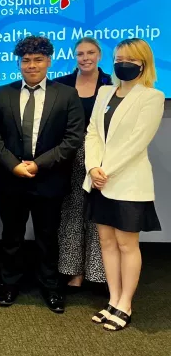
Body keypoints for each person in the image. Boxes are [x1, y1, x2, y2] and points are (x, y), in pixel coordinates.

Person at [0, 35, 84, 314]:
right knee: (12, 235)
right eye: (26, 60)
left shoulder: (66, 94)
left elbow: (73, 137)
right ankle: (9, 283)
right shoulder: (1, 93)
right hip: (10, 177)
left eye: (38, 60)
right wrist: (13, 164)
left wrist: (38, 164)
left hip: (49, 178)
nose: (32, 65)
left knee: (47, 236)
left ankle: (50, 286)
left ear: (49, 61)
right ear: (19, 63)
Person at [83, 38, 164, 331]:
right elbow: (92, 132)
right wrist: (93, 167)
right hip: (100, 181)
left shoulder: (152, 97)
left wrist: (106, 170)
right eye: (118, 58)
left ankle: (125, 304)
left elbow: (137, 142)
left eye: (128, 59)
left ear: (143, 63)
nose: (122, 64)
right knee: (106, 242)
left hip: (128, 183)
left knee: (127, 245)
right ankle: (112, 300)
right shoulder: (104, 92)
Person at [53, 37, 113, 289]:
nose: (85, 57)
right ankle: (73, 272)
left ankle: (98, 273)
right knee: (72, 214)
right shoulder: (62, 84)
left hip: (103, 158)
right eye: (80, 53)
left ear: (99, 55)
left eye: (90, 52)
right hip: (70, 156)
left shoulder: (112, 83)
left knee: (98, 214)